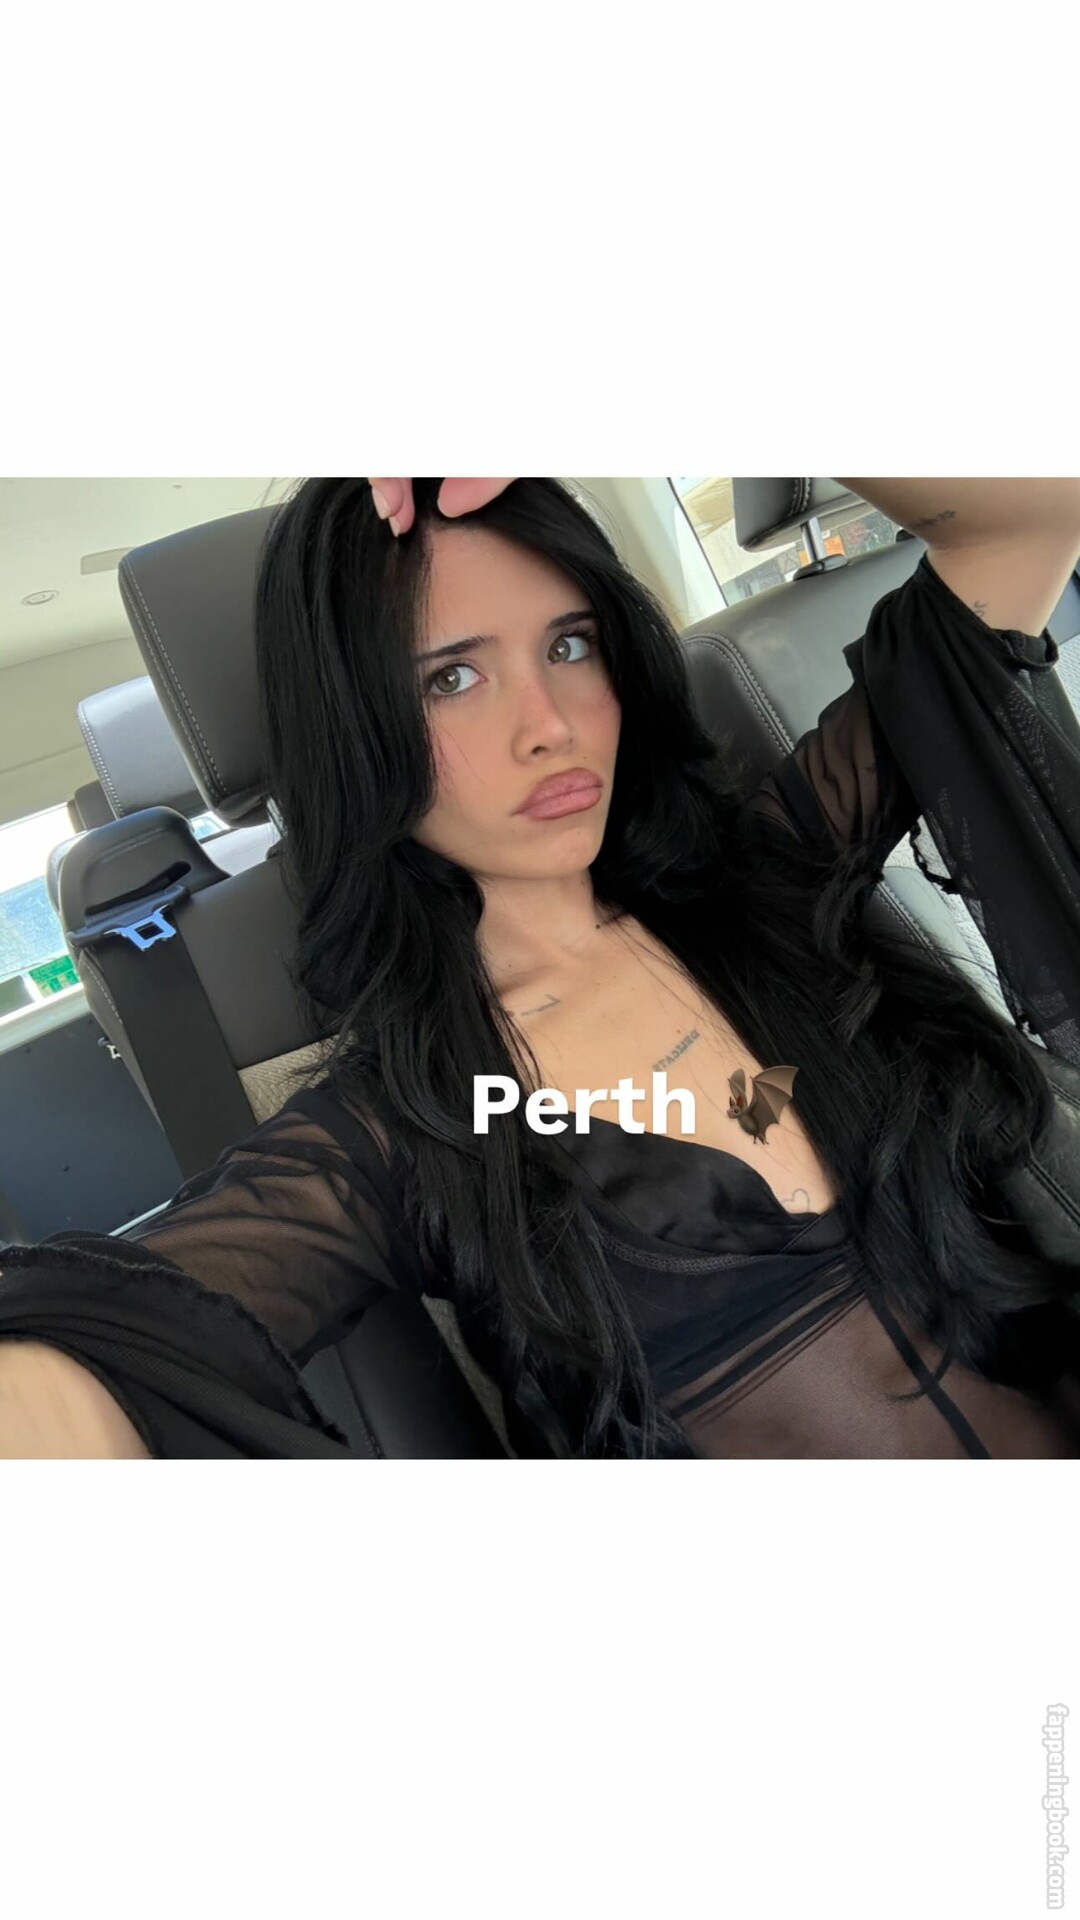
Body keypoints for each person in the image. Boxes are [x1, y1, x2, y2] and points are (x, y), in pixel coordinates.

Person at [2, 475, 1080, 1459]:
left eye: (570, 646)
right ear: (358, 730)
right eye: (452, 677)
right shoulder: (412, 1129)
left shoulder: (774, 874)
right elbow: (72, 1389)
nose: (551, 727)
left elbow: (1026, 516)